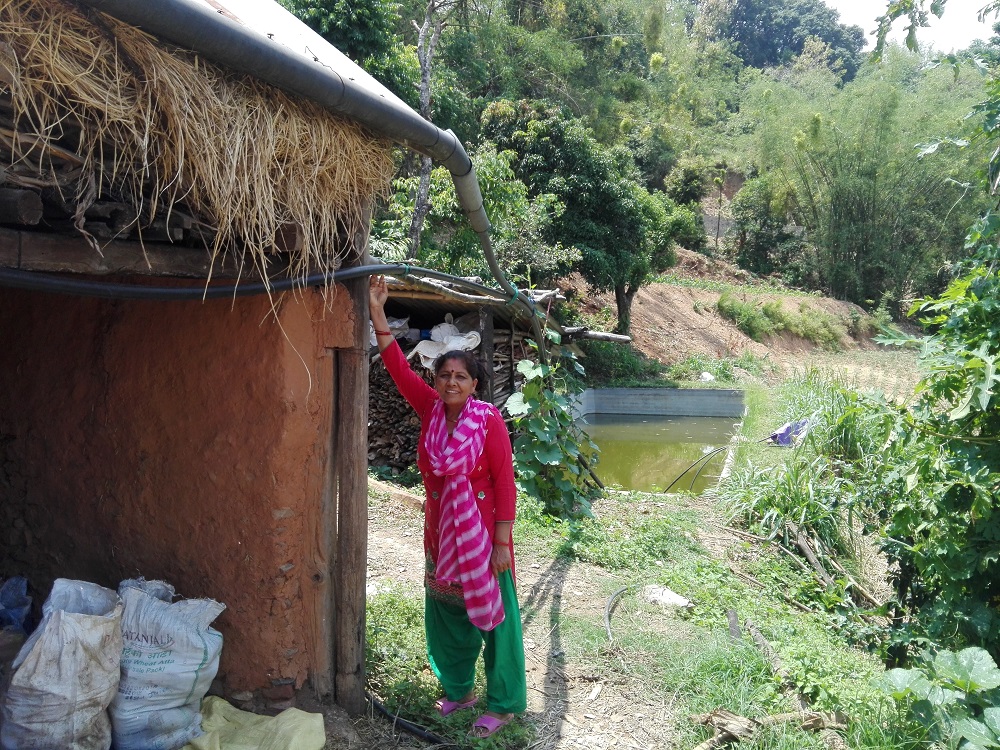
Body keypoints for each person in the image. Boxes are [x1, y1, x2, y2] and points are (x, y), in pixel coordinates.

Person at [368, 275, 527, 739]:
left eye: (461, 376)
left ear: (474, 384)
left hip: (483, 539)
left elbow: (504, 482)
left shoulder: (488, 420)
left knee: (497, 619)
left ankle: (502, 702)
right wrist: (379, 311)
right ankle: (459, 689)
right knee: (446, 615)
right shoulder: (430, 410)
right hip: (441, 533)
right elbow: (398, 368)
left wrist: (501, 542)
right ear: (435, 381)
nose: (451, 381)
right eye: (444, 375)